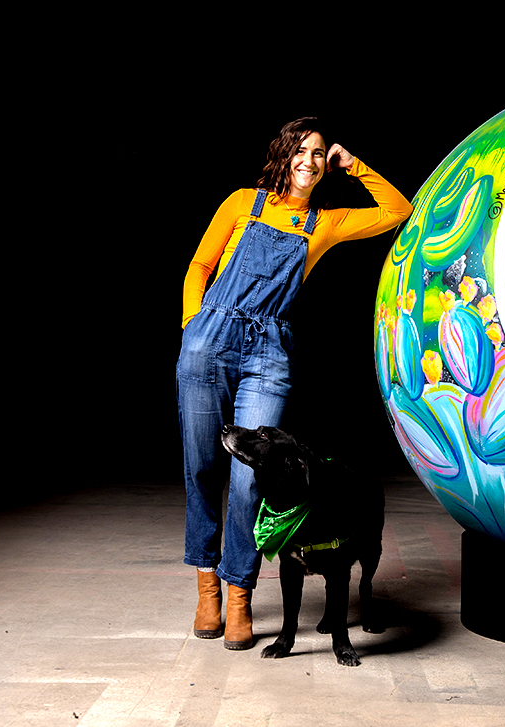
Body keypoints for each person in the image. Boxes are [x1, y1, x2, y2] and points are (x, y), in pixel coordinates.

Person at [176, 117, 412, 650]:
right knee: (203, 468)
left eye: (319, 153)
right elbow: (199, 264)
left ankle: (239, 591)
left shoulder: (323, 224)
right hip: (208, 341)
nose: (309, 161)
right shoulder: (242, 203)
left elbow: (397, 211)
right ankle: (206, 587)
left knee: (250, 480)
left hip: (269, 353)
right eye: (301, 151)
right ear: (283, 155)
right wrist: (193, 325)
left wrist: (355, 165)